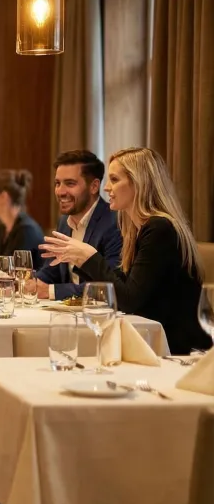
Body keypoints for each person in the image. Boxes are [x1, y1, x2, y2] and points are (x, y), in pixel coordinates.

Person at [41, 147, 212, 355]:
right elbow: (121, 288)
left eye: (114, 179)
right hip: (147, 341)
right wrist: (80, 259)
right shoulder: (138, 229)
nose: (106, 188)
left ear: (138, 184)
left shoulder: (159, 228)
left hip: (176, 350)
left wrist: (88, 256)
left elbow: (129, 300)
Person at [32, 150, 122, 300]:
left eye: (70, 183)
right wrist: (29, 283)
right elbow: (51, 270)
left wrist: (51, 291)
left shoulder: (114, 223)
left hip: (100, 316)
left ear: (94, 186)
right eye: (57, 183)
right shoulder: (64, 222)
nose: (60, 191)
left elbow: (108, 286)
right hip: (70, 314)